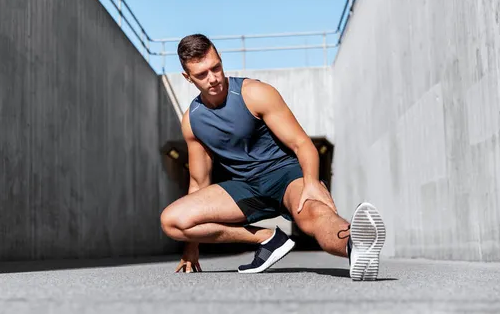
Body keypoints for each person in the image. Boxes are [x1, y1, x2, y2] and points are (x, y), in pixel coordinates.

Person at [160, 34, 386, 280]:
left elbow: (302, 143)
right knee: (172, 221)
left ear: (221, 60)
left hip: (286, 175)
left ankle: (355, 246)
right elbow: (199, 182)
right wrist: (191, 247)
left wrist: (311, 182)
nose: (213, 78)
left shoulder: (255, 93)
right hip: (244, 188)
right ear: (188, 77)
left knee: (314, 215)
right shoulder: (192, 121)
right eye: (202, 74)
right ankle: (268, 239)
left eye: (216, 67)